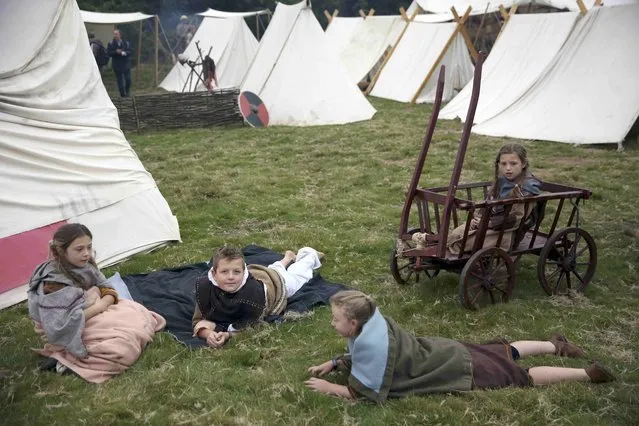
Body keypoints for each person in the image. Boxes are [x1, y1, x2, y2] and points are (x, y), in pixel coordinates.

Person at [305, 290, 615, 402]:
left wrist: (329, 387)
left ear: (355, 323)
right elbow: (358, 353)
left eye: (335, 319)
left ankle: (587, 374)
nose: (333, 324)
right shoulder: (374, 321)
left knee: (520, 376)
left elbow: (365, 393)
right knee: (503, 351)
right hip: (446, 350)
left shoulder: (371, 343)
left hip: (454, 368)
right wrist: (335, 363)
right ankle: (553, 344)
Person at [27, 223, 165, 382]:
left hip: (91, 312)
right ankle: (66, 361)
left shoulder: (85, 265)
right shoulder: (53, 283)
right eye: (79, 249)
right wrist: (97, 304)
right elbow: (59, 325)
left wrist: (102, 300)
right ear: (61, 251)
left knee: (141, 314)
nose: (86, 254)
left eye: (89, 247)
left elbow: (106, 287)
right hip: (73, 326)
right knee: (122, 347)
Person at [192, 246, 324, 348]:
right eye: (224, 271)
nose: (231, 277)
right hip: (260, 273)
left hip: (275, 283)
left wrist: (228, 335)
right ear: (214, 274)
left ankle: (309, 255)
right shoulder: (206, 289)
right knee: (274, 269)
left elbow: (255, 326)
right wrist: (208, 334)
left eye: (236, 272)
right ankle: (287, 258)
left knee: (298, 276)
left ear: (244, 273)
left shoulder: (254, 295)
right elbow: (198, 320)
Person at [442, 143, 542, 254]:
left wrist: (488, 223)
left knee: (459, 243)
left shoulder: (526, 188)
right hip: (489, 224)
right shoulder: (502, 181)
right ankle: (432, 242)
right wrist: (479, 219)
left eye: (513, 163)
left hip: (506, 231)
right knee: (455, 235)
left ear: (523, 164)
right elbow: (490, 203)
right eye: (503, 164)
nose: (508, 168)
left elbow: (516, 218)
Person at [107, 29, 133, 98]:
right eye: (114, 34)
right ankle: (122, 95)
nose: (115, 36)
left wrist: (124, 53)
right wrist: (116, 52)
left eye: (116, 34)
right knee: (120, 81)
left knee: (128, 80)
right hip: (117, 65)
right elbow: (109, 53)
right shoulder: (111, 43)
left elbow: (130, 51)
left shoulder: (126, 42)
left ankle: (127, 92)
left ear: (120, 35)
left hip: (126, 64)